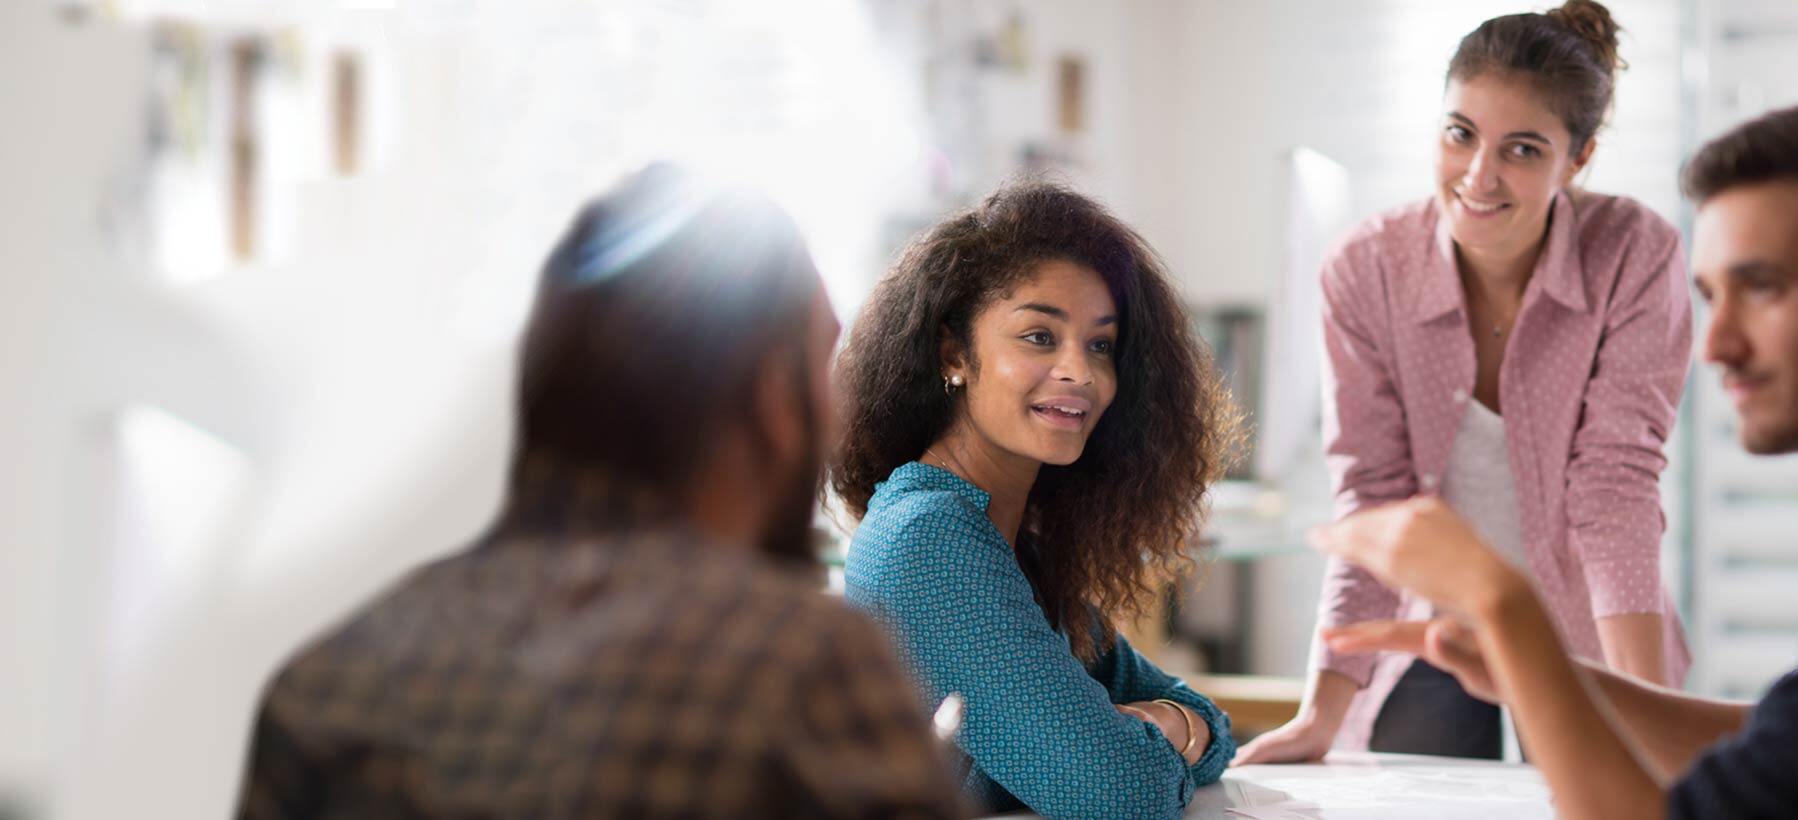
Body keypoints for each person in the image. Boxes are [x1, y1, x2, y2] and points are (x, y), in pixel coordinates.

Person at [234, 165, 964, 820]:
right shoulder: (802, 673)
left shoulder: (327, 680)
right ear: (774, 398)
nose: (835, 410)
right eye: (819, 363)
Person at [1316, 103, 1798, 817]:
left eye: (1763, 288)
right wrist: (1538, 672)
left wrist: (1504, 606)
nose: (1715, 346)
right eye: (1710, 297)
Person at [1235, 0, 1691, 765]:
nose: (1479, 176)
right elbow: (1375, 500)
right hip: (1432, 631)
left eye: (1521, 149)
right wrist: (1318, 713)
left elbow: (1616, 486)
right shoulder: (1367, 269)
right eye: (1460, 134)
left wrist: (1650, 709)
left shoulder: (1634, 253)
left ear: (1576, 160)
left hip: (1589, 628)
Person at [831, 179, 1242, 819]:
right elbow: (1119, 796)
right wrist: (1163, 734)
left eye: (1100, 345)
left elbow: (1213, 727)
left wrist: (1161, 722)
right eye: (1039, 337)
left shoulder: (1009, 540)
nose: (1080, 371)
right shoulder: (930, 541)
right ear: (953, 353)